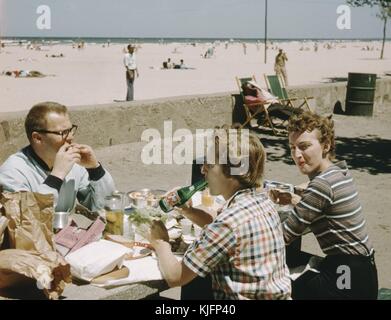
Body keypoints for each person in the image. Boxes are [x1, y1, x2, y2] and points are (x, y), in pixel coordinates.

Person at [147, 126, 291, 300]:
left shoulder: (228, 223)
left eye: (209, 164)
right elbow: (220, 228)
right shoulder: (262, 202)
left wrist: (160, 242)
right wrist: (187, 210)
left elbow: (175, 276)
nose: (202, 170)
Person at [270, 112, 378, 300]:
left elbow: (283, 236)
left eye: (304, 147)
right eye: (292, 147)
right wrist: (296, 199)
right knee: (294, 263)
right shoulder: (339, 171)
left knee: (270, 285)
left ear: (326, 146)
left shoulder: (321, 185)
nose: (296, 155)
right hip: (363, 273)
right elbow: (325, 206)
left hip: (347, 283)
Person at [0, 102, 116, 212]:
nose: (70, 137)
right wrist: (57, 176)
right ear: (38, 138)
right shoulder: (13, 172)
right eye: (63, 132)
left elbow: (102, 205)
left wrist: (95, 169)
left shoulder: (73, 164)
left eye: (71, 130)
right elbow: (24, 219)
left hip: (66, 232)